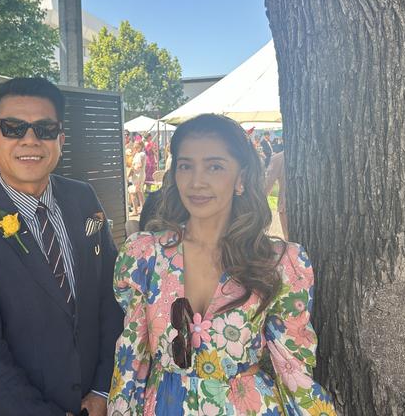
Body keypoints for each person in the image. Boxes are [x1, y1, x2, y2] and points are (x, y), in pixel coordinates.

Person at [108, 114, 336, 415]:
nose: (196, 181)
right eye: (186, 166)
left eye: (214, 166)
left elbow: (294, 370)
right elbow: (130, 363)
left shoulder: (279, 262)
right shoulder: (145, 256)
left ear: (240, 178)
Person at [0, 77, 124, 416]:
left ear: (60, 139)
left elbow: (111, 297)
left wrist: (103, 387)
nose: (30, 140)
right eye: (13, 128)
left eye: (45, 129)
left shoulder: (84, 198)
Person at [265, 151, 288, 239]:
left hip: (286, 206)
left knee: (291, 242)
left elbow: (266, 187)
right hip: (286, 207)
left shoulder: (279, 158)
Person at [128, 141, 146, 214]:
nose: (135, 147)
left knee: (133, 192)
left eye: (137, 146)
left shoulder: (141, 154)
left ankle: (135, 210)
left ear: (141, 146)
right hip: (137, 176)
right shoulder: (138, 154)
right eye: (135, 146)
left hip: (138, 176)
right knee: (139, 192)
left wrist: (133, 168)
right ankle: (143, 209)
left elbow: (140, 165)